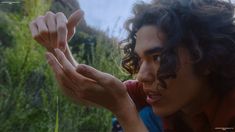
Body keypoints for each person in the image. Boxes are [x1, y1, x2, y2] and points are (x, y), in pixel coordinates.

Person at [29, 0, 235, 131]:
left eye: (159, 58)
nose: (142, 76)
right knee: (148, 115)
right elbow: (82, 88)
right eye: (140, 60)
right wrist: (58, 47)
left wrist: (124, 111)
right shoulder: (151, 92)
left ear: (208, 58)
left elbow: (121, 105)